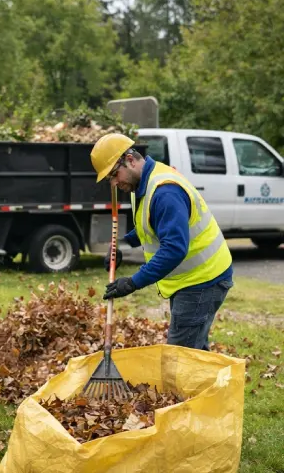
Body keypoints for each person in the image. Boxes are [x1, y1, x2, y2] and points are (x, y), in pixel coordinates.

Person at [91, 133, 233, 351]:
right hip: (191, 280)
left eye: (114, 174)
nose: (114, 183)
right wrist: (123, 243)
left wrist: (132, 282)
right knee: (194, 351)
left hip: (203, 280)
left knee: (180, 356)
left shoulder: (165, 191)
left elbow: (174, 249)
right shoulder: (142, 184)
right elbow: (150, 226)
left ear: (129, 159)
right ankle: (212, 384)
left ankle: (191, 385)